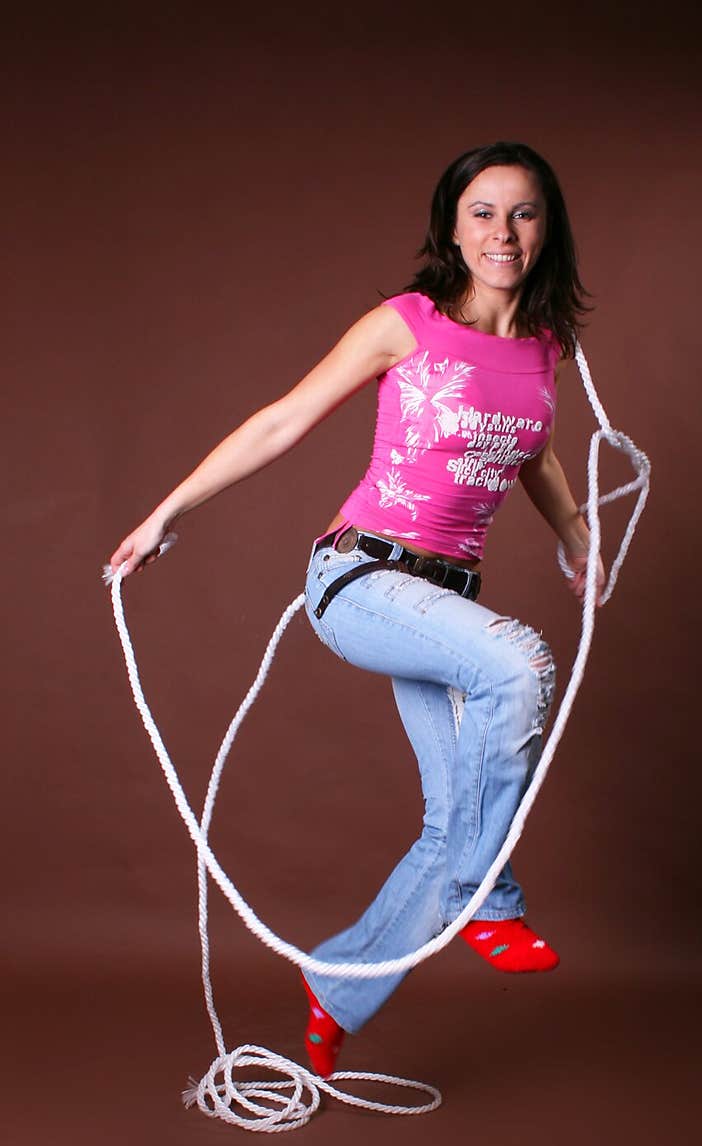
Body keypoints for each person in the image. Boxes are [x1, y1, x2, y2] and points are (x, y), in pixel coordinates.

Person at [108, 140, 605, 1078]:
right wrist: (166, 510)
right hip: (361, 582)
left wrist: (576, 536)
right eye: (483, 212)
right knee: (519, 663)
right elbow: (284, 418)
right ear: (452, 227)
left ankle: (336, 990)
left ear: (549, 230)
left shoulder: (546, 349)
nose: (503, 232)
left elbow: (531, 452)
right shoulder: (403, 324)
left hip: (447, 598)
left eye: (524, 213)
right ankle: (488, 898)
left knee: (449, 819)